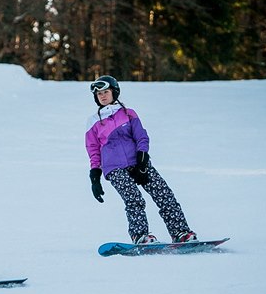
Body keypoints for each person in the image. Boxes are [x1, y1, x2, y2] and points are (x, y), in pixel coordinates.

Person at [85, 75, 198, 244]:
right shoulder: (93, 121)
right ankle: (140, 236)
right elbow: (93, 150)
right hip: (114, 167)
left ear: (114, 92)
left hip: (138, 162)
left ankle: (181, 233)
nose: (102, 96)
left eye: (106, 92)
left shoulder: (128, 114)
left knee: (164, 194)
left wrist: (143, 157)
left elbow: (141, 136)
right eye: (99, 93)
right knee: (134, 198)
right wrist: (95, 176)